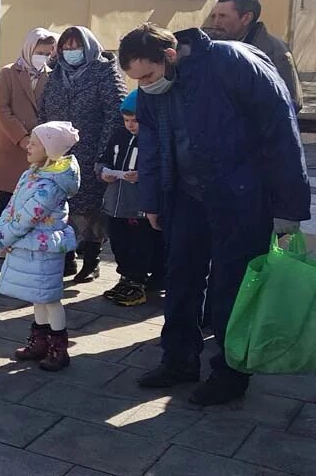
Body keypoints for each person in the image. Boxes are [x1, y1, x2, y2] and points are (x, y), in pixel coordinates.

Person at [119, 24, 310, 405]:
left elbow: (280, 131)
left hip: (240, 198)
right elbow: (153, 142)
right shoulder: (153, 89)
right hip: (186, 197)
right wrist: (153, 200)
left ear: (170, 57)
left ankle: (230, 373)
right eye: (136, 79)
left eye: (148, 76)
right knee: (181, 278)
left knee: (230, 288)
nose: (143, 86)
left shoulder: (231, 62)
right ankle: (178, 360)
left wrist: (289, 208)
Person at [38, 25, 127, 282]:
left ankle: (91, 260)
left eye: (76, 47)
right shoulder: (56, 74)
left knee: (91, 211)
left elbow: (116, 113)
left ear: (87, 47)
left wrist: (103, 152)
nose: (70, 52)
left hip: (90, 152)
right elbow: (43, 110)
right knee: (59, 206)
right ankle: (66, 258)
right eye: (66, 47)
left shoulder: (104, 72)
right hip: (58, 154)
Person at [0, 121, 80, 372]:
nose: (27, 146)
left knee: (50, 298)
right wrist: (4, 232)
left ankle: (58, 347)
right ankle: (40, 341)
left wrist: (3, 237)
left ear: (50, 150)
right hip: (30, 246)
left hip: (43, 249)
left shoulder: (49, 185)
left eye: (34, 143)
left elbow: (27, 216)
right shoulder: (32, 173)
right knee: (38, 297)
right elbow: (13, 206)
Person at [96, 90, 164, 307]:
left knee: (140, 245)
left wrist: (142, 176)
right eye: (126, 120)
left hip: (139, 207)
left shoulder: (156, 139)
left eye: (135, 121)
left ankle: (139, 280)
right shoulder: (118, 136)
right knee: (119, 243)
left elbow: (162, 169)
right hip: (115, 204)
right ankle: (126, 277)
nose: (130, 125)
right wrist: (103, 172)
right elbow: (103, 160)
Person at [0, 28, 57, 242]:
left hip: (39, 146)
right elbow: (2, 109)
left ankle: (26, 240)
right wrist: (22, 138)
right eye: (40, 52)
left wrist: (41, 141)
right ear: (29, 48)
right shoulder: (8, 72)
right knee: (8, 195)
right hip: (11, 144)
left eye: (48, 54)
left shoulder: (52, 76)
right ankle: (3, 240)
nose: (43, 58)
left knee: (32, 197)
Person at [204, 0, 302, 111]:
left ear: (246, 18)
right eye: (213, 16)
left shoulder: (275, 52)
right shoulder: (212, 47)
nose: (216, 23)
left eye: (223, 16)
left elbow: (291, 102)